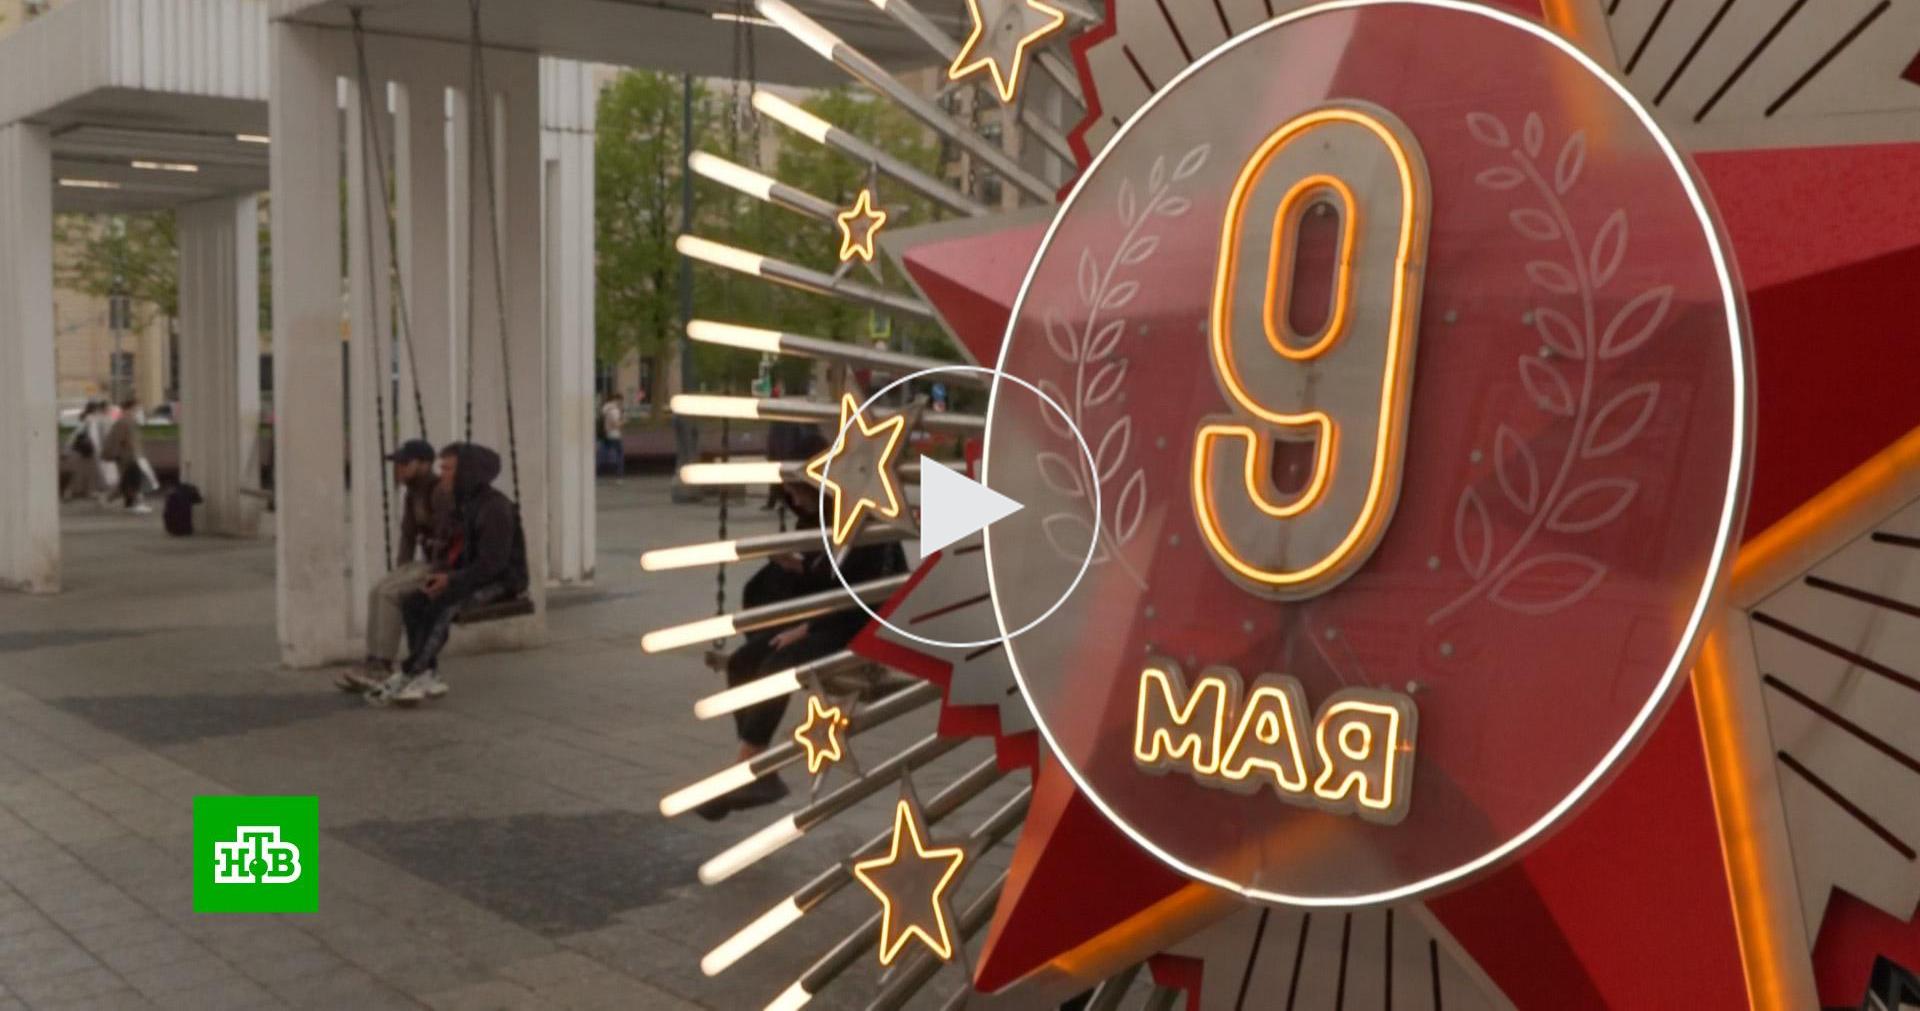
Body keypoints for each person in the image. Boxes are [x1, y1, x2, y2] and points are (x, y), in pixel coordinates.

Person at [698, 454, 908, 819]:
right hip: (822, 620)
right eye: (790, 494)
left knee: (779, 665)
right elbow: (820, 582)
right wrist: (795, 569)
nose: (795, 500)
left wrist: (807, 627)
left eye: (800, 492)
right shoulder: (814, 522)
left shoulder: (867, 522)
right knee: (742, 661)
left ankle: (749, 767)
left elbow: (868, 597)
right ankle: (757, 763)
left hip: (860, 627)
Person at [382, 443, 528, 705]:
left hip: (503, 581)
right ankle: (427, 674)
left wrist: (451, 580)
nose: (442, 475)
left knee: (443, 605)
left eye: (448, 469)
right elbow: (459, 552)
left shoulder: (495, 508)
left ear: (467, 472)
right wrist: (443, 575)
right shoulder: (465, 504)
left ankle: (412, 672)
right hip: (472, 576)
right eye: (441, 468)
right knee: (414, 601)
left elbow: (492, 565)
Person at [338, 440, 453, 694]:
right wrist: (401, 571)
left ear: (424, 464)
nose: (398, 469)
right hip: (425, 562)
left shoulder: (439, 493)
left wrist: (432, 572)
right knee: (377, 590)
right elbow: (408, 536)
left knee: (389, 594)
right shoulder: (413, 495)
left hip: (443, 565)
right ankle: (373, 660)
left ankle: (382, 664)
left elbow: (447, 536)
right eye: (397, 464)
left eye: (405, 463)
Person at [99, 397, 149, 514]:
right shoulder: (124, 421)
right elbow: (118, 440)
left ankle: (124, 502)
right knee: (132, 479)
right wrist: (117, 454)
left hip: (131, 455)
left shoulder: (129, 421)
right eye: (137, 408)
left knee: (128, 480)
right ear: (131, 408)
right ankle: (131, 503)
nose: (138, 410)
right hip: (127, 455)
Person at [598, 393, 625, 477]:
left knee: (602, 454)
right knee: (620, 454)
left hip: (605, 434)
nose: (621, 403)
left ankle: (598, 470)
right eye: (621, 401)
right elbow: (615, 424)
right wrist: (623, 421)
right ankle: (619, 473)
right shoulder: (615, 410)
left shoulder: (605, 407)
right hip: (615, 435)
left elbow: (603, 418)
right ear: (618, 400)